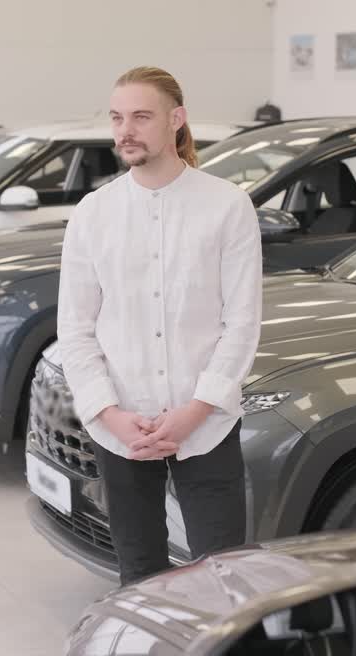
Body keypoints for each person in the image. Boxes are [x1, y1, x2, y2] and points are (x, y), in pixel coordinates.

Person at [57, 66, 262, 586]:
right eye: (118, 117)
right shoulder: (92, 213)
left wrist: (196, 410)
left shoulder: (227, 206)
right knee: (139, 576)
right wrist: (109, 413)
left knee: (223, 579)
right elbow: (76, 328)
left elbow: (241, 323)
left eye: (141, 116)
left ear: (177, 120)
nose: (126, 130)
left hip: (206, 425)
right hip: (120, 425)